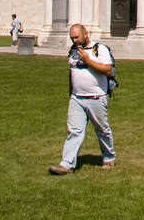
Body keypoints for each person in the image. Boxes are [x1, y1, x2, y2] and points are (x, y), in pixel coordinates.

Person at [49, 24, 116, 175]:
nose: (74, 40)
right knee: (74, 131)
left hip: (96, 97)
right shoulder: (73, 51)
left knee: (102, 130)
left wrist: (88, 61)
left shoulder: (100, 49)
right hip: (77, 98)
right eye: (72, 38)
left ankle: (108, 157)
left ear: (85, 34)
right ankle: (66, 164)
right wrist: (71, 94)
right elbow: (71, 73)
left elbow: (107, 69)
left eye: (76, 37)